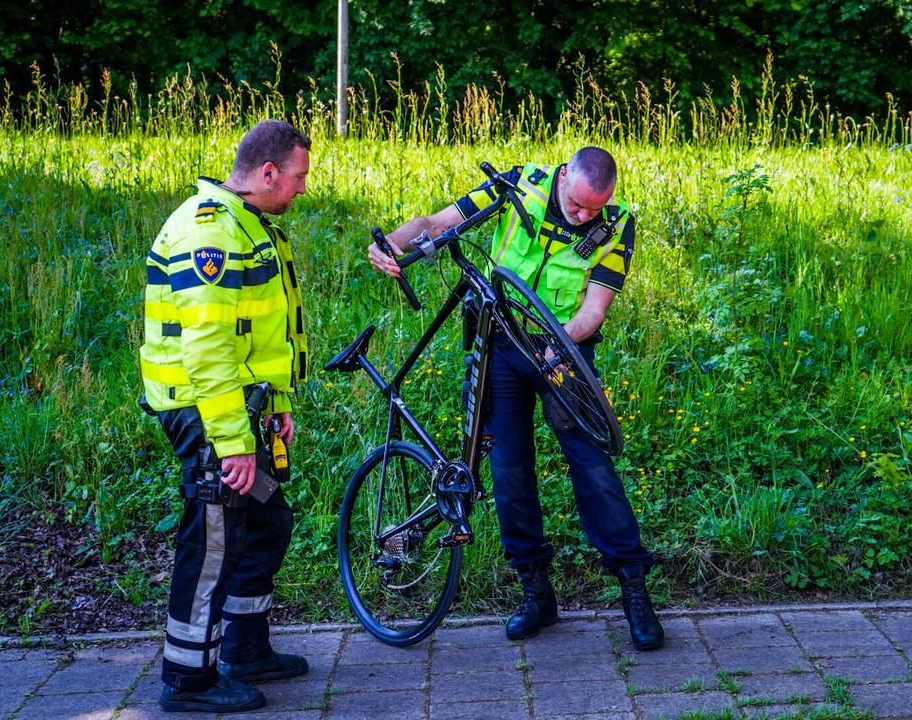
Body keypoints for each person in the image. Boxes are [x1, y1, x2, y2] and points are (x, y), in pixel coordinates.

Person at [367, 146, 664, 651]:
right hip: (500, 344)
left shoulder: (616, 225)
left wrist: (561, 343)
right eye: (577, 205)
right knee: (509, 471)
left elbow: (595, 309)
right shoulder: (517, 184)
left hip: (563, 349)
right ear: (564, 175)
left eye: (595, 207)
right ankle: (536, 593)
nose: (584, 216)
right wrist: (392, 244)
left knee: (592, 467)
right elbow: (438, 222)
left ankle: (635, 591)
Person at [139, 119, 312, 712]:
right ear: (267, 173)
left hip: (240, 410)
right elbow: (208, 348)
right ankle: (188, 681)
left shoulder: (247, 224)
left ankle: (244, 648)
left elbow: (261, 337)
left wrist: (277, 408)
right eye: (298, 177)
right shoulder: (207, 230)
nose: (303, 188)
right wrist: (234, 442)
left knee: (267, 521)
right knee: (214, 537)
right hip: (205, 411)